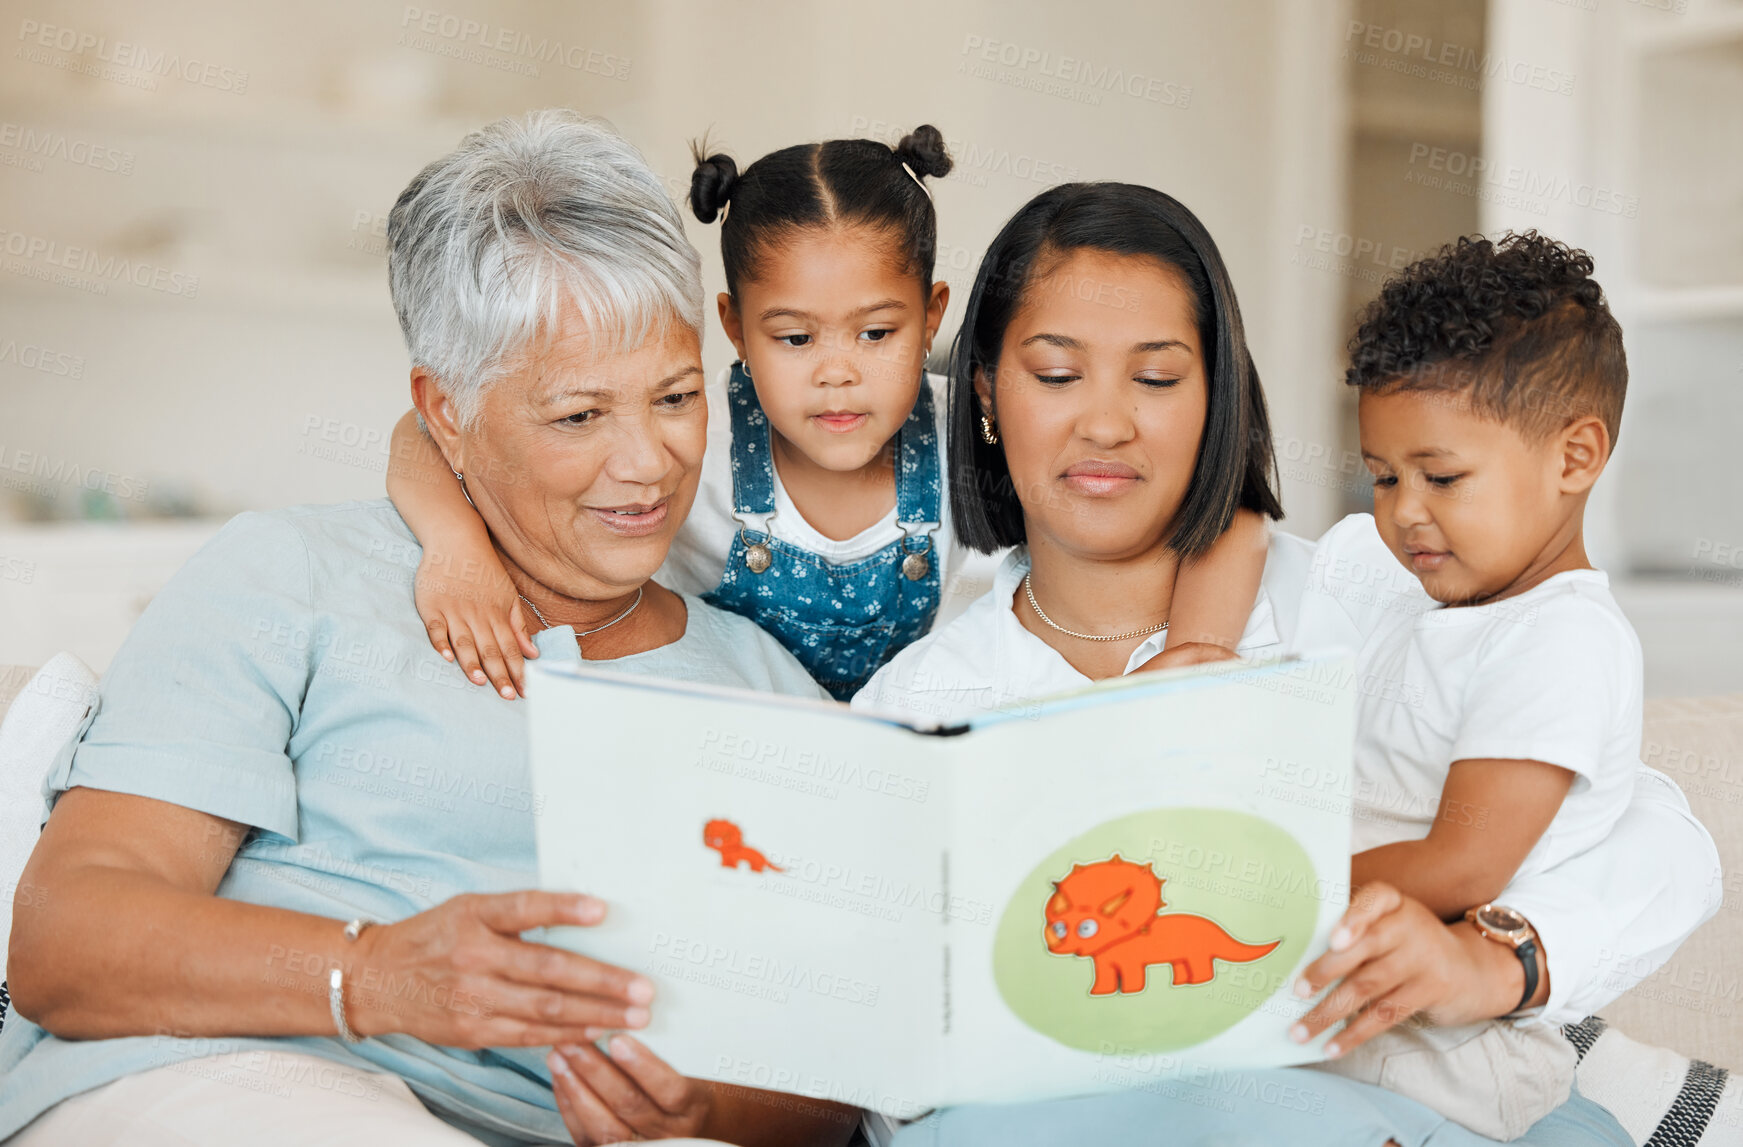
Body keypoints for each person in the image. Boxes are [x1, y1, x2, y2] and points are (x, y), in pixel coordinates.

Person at [0, 110, 855, 1147]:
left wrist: (704, 1108)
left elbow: (836, 1067)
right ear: (446, 413)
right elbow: (66, 939)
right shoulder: (291, 575)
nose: (646, 463)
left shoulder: (766, 683)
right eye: (579, 416)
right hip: (233, 1079)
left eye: (675, 398)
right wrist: (372, 974)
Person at [856, 181, 1719, 1145]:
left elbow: (1657, 842)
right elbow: (882, 1038)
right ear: (983, 391)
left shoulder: (1368, 601)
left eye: (1155, 378)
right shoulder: (920, 705)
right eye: (1057, 375)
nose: (1104, 425)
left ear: (1216, 393)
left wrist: (1505, 957)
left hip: (1408, 1076)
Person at [388, 125, 1268, 702]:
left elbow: (1221, 509)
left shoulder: (974, 430)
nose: (838, 377)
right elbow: (430, 432)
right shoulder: (690, 437)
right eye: (795, 340)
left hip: (925, 745)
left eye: (877, 333)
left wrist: (1193, 658)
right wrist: (457, 552)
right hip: (744, 752)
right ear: (733, 328)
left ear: (932, 316)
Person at [1301, 232, 1643, 1139]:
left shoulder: (1561, 638)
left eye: (1442, 477)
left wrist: (1271, 890)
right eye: (1381, 476)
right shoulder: (1427, 615)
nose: (1404, 510)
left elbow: (1462, 865)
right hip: (1352, 999)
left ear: (1574, 457)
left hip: (1449, 1057)